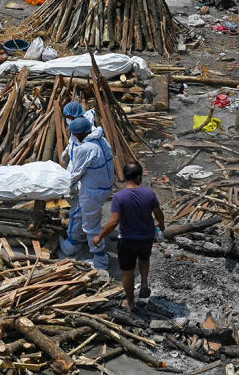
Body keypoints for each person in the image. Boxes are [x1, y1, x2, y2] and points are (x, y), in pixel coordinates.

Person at [94, 162, 165, 307]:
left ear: (125, 177)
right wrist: (161, 225)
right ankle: (144, 283)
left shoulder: (119, 197)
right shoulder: (149, 193)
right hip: (147, 237)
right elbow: (158, 214)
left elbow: (114, 222)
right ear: (139, 176)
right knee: (144, 258)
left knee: (128, 271)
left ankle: (131, 302)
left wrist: (100, 236)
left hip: (128, 240)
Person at [61, 117, 115, 270]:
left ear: (81, 134)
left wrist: (67, 185)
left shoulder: (86, 148)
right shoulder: (102, 140)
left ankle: (100, 260)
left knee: (91, 225)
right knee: (80, 213)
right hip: (105, 186)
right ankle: (74, 242)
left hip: (93, 190)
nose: (74, 137)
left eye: (75, 134)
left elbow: (77, 172)